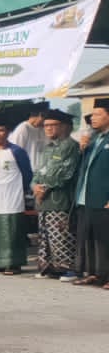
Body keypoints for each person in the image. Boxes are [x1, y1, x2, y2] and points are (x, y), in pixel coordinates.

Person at [33, 109, 81, 280]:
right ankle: (49, 268)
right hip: (44, 201)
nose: (48, 128)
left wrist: (43, 187)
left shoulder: (70, 146)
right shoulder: (47, 148)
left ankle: (69, 269)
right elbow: (38, 172)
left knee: (62, 235)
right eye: (46, 125)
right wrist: (35, 186)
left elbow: (64, 174)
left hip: (60, 200)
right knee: (45, 236)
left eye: (53, 125)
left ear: (65, 127)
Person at [0, 122, 33, 275]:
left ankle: (14, 263)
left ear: (7, 132)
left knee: (12, 229)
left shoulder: (16, 151)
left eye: (1, 130)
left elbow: (27, 174)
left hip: (12, 197)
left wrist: (21, 190)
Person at [73, 99, 109, 288]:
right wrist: (82, 149)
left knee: (105, 239)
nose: (92, 118)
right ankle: (94, 273)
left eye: (97, 114)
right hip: (86, 196)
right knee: (90, 237)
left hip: (103, 197)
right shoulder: (94, 139)